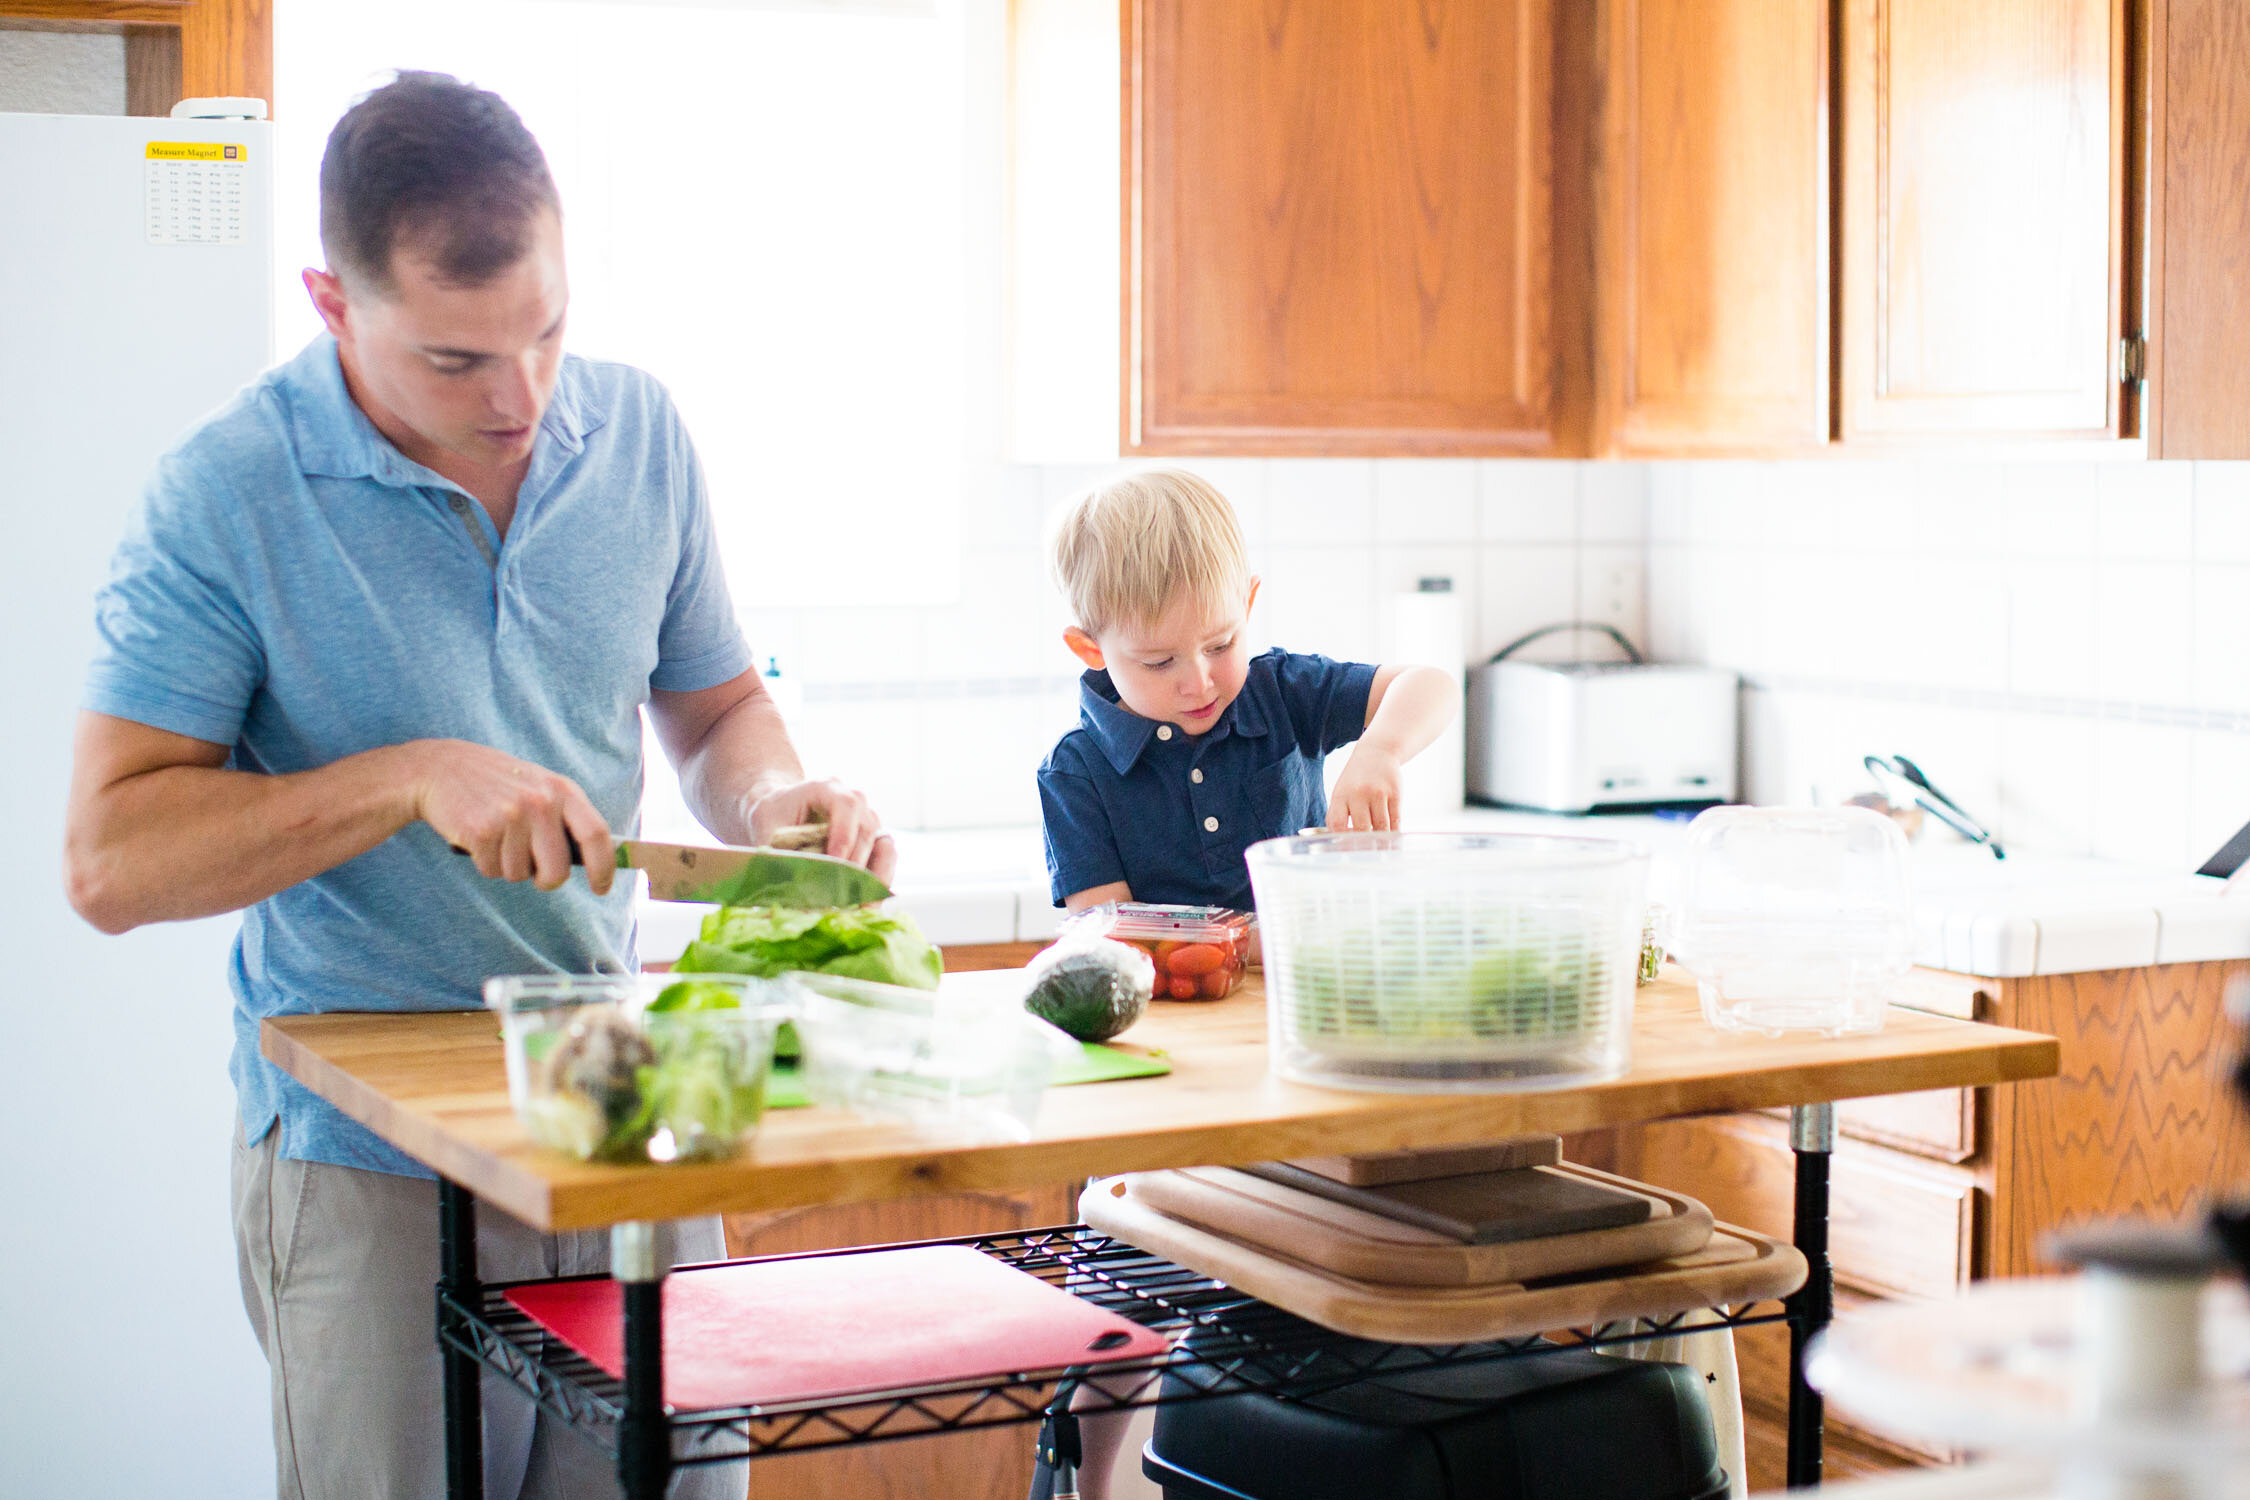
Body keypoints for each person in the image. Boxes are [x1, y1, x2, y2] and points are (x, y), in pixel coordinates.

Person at [61, 72, 890, 1500]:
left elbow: (717, 707)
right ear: (333, 303)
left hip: (624, 1106)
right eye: (455, 362)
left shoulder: (640, 438)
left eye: (549, 333)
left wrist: (769, 807)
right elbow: (109, 862)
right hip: (368, 1156)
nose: (520, 399)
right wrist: (402, 780)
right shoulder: (227, 490)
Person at [1037, 467, 1456, 915]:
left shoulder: (1283, 692)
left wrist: (1381, 750)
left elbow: (1431, 684)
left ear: (1247, 604)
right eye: (1159, 662)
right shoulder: (1073, 773)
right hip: (1170, 987)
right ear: (1090, 649)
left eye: (1221, 645)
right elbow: (1111, 934)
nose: (1199, 683)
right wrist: (1246, 943)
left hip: (1302, 981)